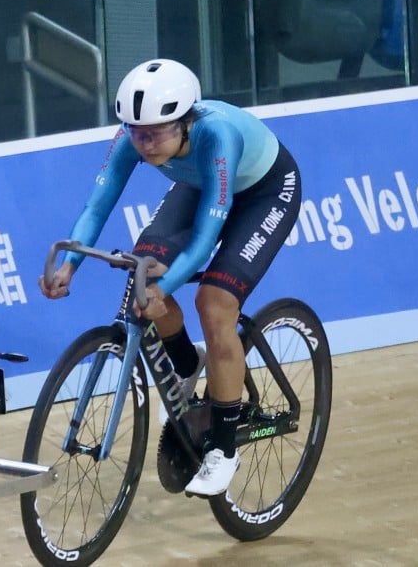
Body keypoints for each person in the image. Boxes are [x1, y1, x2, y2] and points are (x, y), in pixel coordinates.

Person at [40, 58, 301, 496]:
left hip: (265, 192)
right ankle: (185, 361)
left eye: (157, 133)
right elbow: (97, 206)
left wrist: (166, 286)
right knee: (141, 267)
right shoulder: (132, 139)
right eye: (137, 132)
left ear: (185, 121)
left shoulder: (216, 134)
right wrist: (69, 266)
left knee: (214, 302)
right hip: (203, 184)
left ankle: (224, 449)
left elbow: (205, 239)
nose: (145, 144)